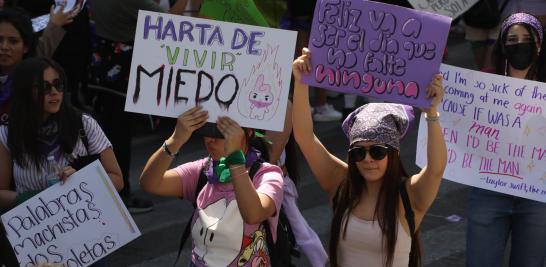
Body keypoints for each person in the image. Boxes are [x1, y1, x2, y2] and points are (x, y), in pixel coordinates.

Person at [292, 48, 447, 267]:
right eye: (358, 152)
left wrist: (432, 114)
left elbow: (436, 169)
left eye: (377, 151)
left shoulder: (409, 196)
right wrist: (300, 82)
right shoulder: (341, 185)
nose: (367, 159)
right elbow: (304, 138)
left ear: (393, 154)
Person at [0, 57, 123, 265]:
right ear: (24, 92)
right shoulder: (7, 133)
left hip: (86, 239)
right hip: (37, 241)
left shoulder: (84, 125)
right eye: (44, 87)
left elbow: (117, 180)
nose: (54, 92)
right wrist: (33, 200)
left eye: (58, 85)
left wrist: (83, 182)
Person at [139, 108, 284, 266]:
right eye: (205, 130)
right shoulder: (202, 170)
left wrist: (234, 158)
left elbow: (254, 214)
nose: (209, 140)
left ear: (247, 132)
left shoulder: (267, 175)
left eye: (219, 133)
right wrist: (175, 140)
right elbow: (150, 184)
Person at [88, 0, 190, 214]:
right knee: (118, 135)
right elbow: (169, 22)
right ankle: (120, 193)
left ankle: (112, 189)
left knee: (109, 133)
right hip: (121, 71)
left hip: (105, 66)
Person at [465, 12, 546, 267]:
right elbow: (461, 122)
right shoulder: (485, 81)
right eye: (512, 39)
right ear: (502, 44)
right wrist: (434, 108)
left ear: (539, 44)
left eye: (527, 38)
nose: (520, 44)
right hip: (489, 189)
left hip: (537, 193)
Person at [265, 100, 329, 266]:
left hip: (272, 184)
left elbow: (273, 150)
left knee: (299, 230)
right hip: (259, 180)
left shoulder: (280, 103)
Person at [0, 6, 75, 125]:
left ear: (26, 47)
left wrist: (55, 24)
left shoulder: (34, 74)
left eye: (13, 41)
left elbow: (44, 47)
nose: (4, 47)